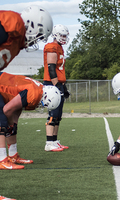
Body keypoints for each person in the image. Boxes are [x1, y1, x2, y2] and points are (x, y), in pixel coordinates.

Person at [0, 5, 53, 200]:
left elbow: (14, 113)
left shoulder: (17, 45)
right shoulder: (13, 23)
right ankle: (3, 159)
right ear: (33, 25)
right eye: (39, 35)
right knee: (0, 118)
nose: (36, 41)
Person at [43, 24, 70, 152]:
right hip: (51, 84)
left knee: (58, 115)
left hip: (58, 84)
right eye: (62, 35)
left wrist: (63, 87)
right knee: (53, 114)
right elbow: (51, 68)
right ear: (56, 35)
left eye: (65, 35)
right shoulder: (52, 47)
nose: (64, 38)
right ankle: (49, 142)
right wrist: (57, 85)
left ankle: (54, 141)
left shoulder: (59, 47)